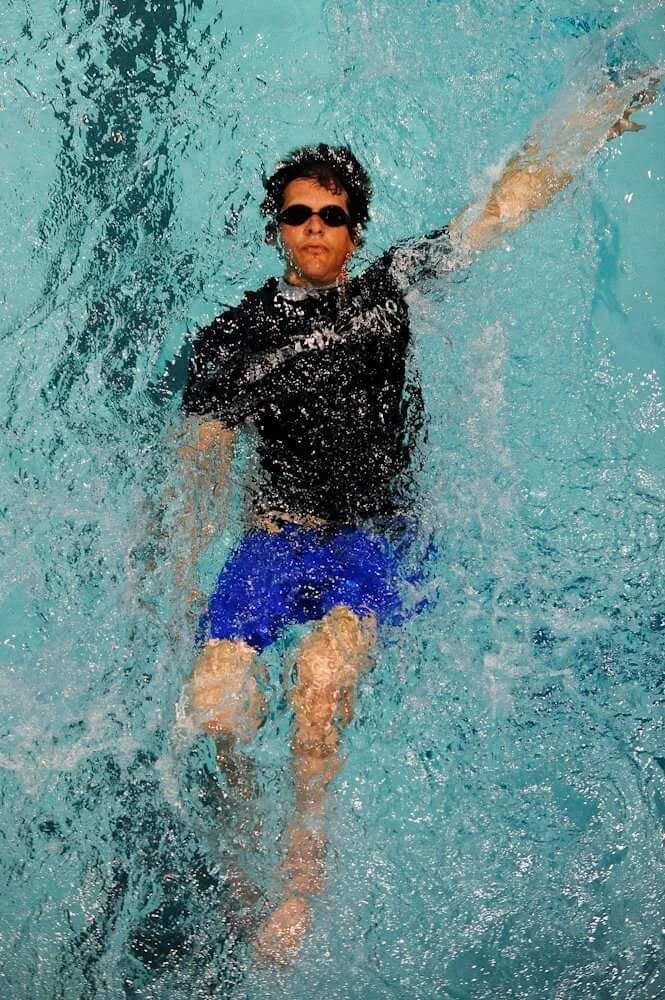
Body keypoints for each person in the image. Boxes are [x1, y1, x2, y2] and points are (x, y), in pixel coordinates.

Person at [174, 77, 656, 963]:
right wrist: (173, 580)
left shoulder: (390, 290)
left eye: (333, 212)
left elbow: (500, 207)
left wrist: (587, 126)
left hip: (374, 539)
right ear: (273, 226)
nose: (314, 226)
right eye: (296, 213)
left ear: (357, 228)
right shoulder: (229, 339)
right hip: (276, 541)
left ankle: (301, 870)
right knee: (213, 704)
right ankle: (240, 844)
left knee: (318, 680)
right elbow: (198, 464)